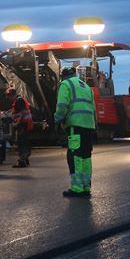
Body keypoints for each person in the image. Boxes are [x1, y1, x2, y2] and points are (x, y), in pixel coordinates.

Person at [54, 67, 97, 198]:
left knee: (75, 156)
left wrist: (57, 119)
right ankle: (85, 186)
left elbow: (62, 105)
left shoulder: (66, 84)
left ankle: (76, 188)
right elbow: (93, 109)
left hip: (75, 125)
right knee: (86, 156)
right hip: (89, 125)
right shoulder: (86, 87)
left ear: (63, 76)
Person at [6, 86, 33, 168]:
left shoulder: (19, 101)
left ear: (12, 95)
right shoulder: (18, 101)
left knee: (22, 142)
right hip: (25, 124)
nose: (7, 98)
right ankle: (25, 159)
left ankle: (22, 160)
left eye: (8, 96)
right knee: (24, 141)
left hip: (23, 125)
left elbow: (22, 113)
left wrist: (16, 123)